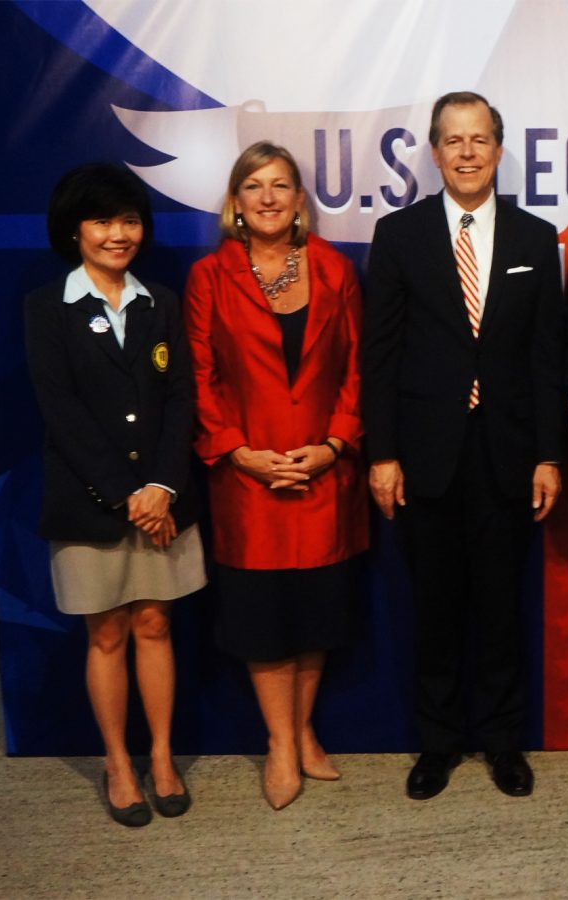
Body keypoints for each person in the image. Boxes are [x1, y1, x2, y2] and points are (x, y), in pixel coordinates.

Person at [361, 91, 564, 801]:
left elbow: (547, 356)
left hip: (508, 454)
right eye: (454, 140)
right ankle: (439, 741)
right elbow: (380, 355)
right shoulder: (400, 234)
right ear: (435, 151)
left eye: (479, 140)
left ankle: (504, 740)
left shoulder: (536, 238)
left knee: (502, 607)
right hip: (426, 456)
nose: (468, 152)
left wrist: (548, 454)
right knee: (436, 606)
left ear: (499, 150)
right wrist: (382, 454)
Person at [184, 140, 368, 810]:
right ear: (235, 201)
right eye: (254, 185)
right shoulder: (209, 277)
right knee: (262, 622)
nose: (268, 197)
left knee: (318, 617)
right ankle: (282, 744)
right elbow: (199, 378)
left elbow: (357, 369)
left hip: (323, 477)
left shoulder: (336, 269)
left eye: (281, 185)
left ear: (299, 200)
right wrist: (239, 452)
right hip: (248, 483)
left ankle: (304, 729)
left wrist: (334, 445)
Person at [24, 163, 205, 827]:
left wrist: (161, 487)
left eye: (129, 220)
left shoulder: (161, 302)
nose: (118, 234)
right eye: (102, 221)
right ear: (75, 231)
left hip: (163, 499)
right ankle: (119, 763)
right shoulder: (47, 307)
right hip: (88, 501)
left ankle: (161, 756)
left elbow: (181, 398)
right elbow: (61, 410)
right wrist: (129, 493)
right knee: (106, 634)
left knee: (155, 624)